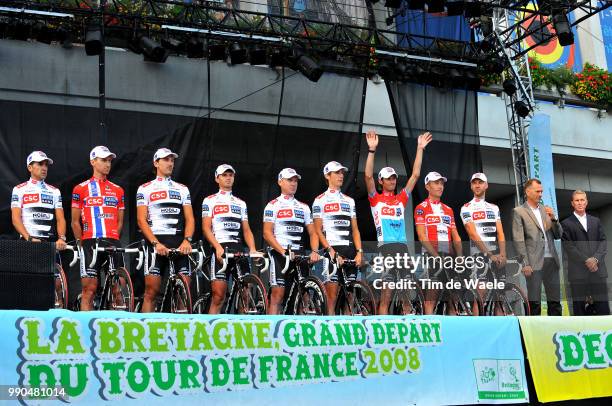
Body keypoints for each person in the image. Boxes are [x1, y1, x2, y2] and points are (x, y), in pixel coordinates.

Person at [364, 130, 432, 314]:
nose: (392, 180)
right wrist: (371, 150)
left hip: (402, 248)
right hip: (386, 247)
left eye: (394, 177)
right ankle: (383, 328)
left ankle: (407, 319)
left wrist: (419, 148)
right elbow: (368, 177)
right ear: (381, 181)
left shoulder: (400, 198)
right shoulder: (375, 199)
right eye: (388, 178)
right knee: (387, 293)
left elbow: (415, 175)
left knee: (406, 292)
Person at [136, 148, 194, 313]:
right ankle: (145, 333)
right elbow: (141, 220)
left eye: (172, 160)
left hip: (178, 242)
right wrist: (155, 243)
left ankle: (182, 333)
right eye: (166, 160)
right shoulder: (145, 188)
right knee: (151, 292)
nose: (170, 163)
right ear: (156, 163)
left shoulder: (182, 188)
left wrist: (187, 240)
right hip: (156, 243)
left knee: (183, 292)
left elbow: (190, 219)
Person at [72, 146, 125, 311]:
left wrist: (113, 236)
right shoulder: (80, 189)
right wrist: (81, 244)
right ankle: (84, 332)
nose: (108, 164)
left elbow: (120, 221)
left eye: (109, 160)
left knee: (118, 289)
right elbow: (74, 221)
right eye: (103, 160)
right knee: (89, 289)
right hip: (89, 242)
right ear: (93, 162)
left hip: (112, 241)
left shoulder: (118, 190)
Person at [263, 168, 321, 315]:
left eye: (295, 180)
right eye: (290, 180)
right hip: (279, 253)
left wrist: (314, 251)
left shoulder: (304, 207)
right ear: (280, 182)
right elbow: (267, 233)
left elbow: (313, 232)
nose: (293, 183)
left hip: (299, 255)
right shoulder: (272, 205)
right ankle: (272, 333)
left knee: (305, 297)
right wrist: (283, 252)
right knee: (278, 295)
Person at [202, 164, 257, 314]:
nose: (228, 178)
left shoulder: (240, 203)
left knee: (246, 295)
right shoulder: (209, 200)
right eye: (224, 175)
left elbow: (246, 230)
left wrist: (252, 249)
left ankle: (241, 331)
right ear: (217, 178)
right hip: (220, 249)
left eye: (231, 175)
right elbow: (206, 228)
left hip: (238, 249)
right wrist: (218, 247)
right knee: (219, 296)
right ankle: (210, 331)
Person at [313, 161, 363, 315]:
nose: (341, 175)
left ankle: (347, 334)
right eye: (337, 173)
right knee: (331, 296)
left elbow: (355, 229)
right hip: (331, 251)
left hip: (349, 251)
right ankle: (329, 332)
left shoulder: (349, 200)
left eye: (342, 172)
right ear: (327, 176)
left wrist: (360, 251)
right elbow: (317, 230)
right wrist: (330, 251)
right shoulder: (319, 200)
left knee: (350, 297)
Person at [512, 178, 562, 316]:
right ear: (528, 192)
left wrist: (554, 219)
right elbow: (518, 240)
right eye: (537, 191)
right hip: (533, 263)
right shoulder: (519, 211)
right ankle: (534, 333)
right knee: (535, 302)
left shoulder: (546, 210)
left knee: (555, 301)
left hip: (551, 260)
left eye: (542, 191)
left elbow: (558, 235)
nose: (540, 194)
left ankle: (555, 331)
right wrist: (525, 263)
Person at [414, 172, 462, 315]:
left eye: (441, 183)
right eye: (436, 183)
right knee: (432, 294)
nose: (440, 186)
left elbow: (456, 237)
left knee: (454, 295)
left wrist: (459, 257)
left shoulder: (448, 209)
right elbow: (422, 236)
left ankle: (452, 328)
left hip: (448, 254)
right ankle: (429, 325)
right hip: (431, 253)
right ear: (427, 186)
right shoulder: (421, 208)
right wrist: (435, 256)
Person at [460, 173, 507, 314]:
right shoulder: (466, 207)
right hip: (479, 255)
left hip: (496, 254)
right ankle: (477, 327)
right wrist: (488, 253)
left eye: (480, 182)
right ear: (471, 186)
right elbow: (472, 233)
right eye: (474, 182)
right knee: (480, 294)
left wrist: (503, 254)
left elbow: (500, 233)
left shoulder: (494, 207)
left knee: (500, 296)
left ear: (486, 185)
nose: (477, 185)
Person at [561, 190, 609, 315]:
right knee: (579, 309)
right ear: (572, 203)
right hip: (578, 273)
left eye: (582, 200)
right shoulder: (566, 224)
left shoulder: (596, 221)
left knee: (603, 307)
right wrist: (586, 260)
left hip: (598, 271)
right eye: (577, 200)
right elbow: (569, 247)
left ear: (586, 202)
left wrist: (595, 259)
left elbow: (603, 242)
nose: (580, 203)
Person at [11, 151, 67, 251]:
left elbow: (60, 219)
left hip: (50, 243)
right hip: (27, 241)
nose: (44, 168)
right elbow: (15, 218)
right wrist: (28, 237)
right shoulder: (19, 189)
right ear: (30, 168)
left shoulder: (54, 191)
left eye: (46, 165)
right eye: (40, 164)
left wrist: (62, 238)